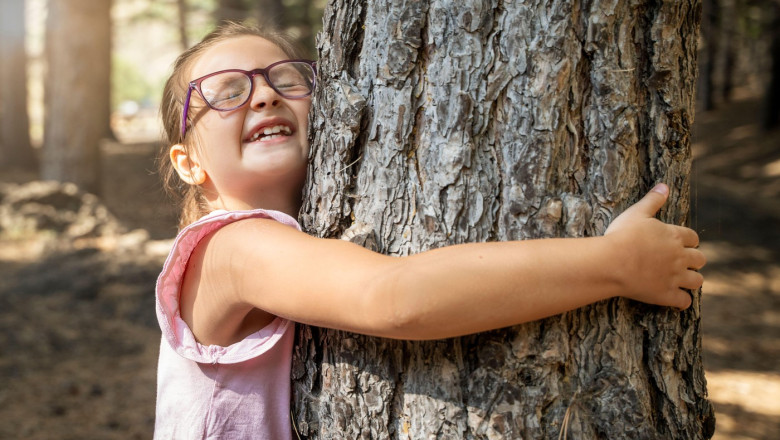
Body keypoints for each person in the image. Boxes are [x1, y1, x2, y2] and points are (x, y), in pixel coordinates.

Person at [153, 21, 706, 440]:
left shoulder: (289, 241)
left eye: (285, 79)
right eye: (225, 92)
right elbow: (397, 298)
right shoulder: (231, 247)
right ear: (188, 163)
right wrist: (614, 263)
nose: (264, 94)